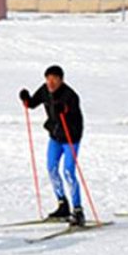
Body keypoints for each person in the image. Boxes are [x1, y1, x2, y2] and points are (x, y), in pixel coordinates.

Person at [19, 65, 86, 226]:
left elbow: (72, 111)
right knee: (51, 168)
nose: (50, 82)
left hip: (71, 138)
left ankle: (78, 210)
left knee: (68, 171)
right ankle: (62, 205)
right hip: (55, 137)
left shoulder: (70, 95)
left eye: (54, 79)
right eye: (48, 79)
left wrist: (64, 109)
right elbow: (33, 103)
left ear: (61, 80)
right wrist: (26, 99)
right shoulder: (45, 90)